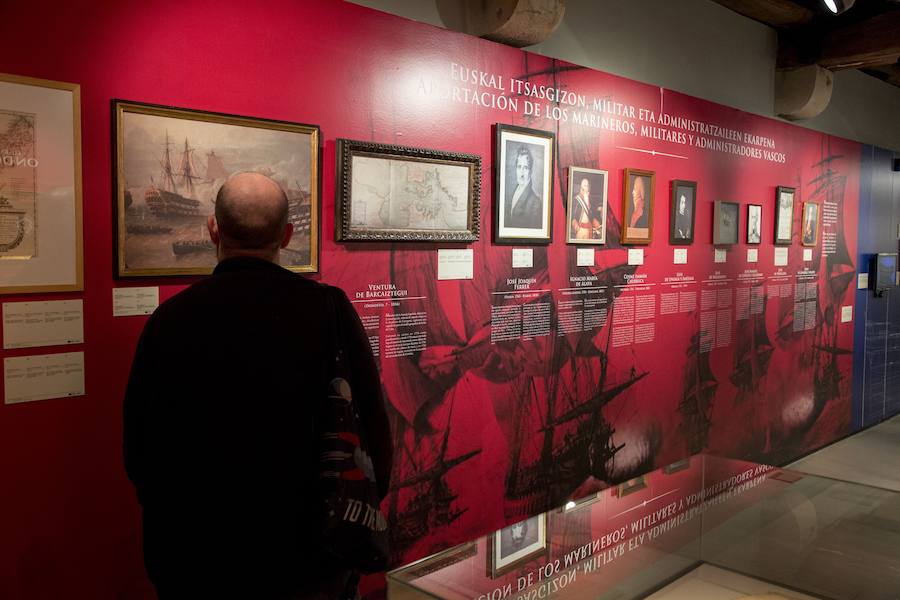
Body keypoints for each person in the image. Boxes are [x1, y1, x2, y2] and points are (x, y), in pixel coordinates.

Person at [123, 172, 392, 599]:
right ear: (286, 236)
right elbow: (373, 433)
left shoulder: (170, 320)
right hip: (309, 558)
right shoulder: (330, 311)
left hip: (196, 560)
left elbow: (140, 452)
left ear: (213, 229)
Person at [505, 145, 542, 229]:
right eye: (519, 167)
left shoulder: (535, 203)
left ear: (531, 171)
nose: (521, 173)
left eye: (525, 168)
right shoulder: (512, 193)